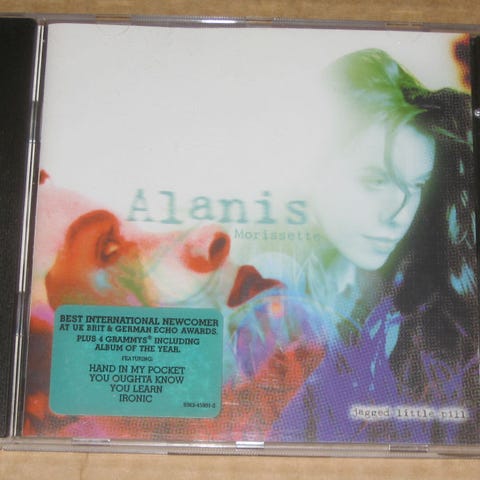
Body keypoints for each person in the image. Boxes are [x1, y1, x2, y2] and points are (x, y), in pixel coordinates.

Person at [234, 48, 478, 444]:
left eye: (417, 185)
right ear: (311, 168)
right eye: (375, 181)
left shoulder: (435, 313)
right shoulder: (244, 286)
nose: (399, 212)